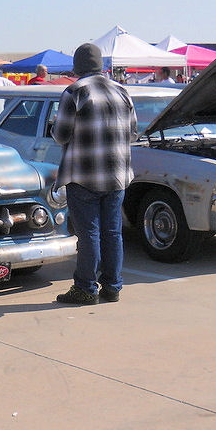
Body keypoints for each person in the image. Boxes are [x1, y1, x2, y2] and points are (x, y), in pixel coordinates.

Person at [51, 43, 137, 306]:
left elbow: (60, 135)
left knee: (89, 233)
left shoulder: (74, 92)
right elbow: (133, 133)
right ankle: (112, 286)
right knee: (112, 232)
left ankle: (86, 288)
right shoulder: (122, 91)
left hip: (84, 176)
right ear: (101, 65)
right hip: (117, 175)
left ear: (77, 67)